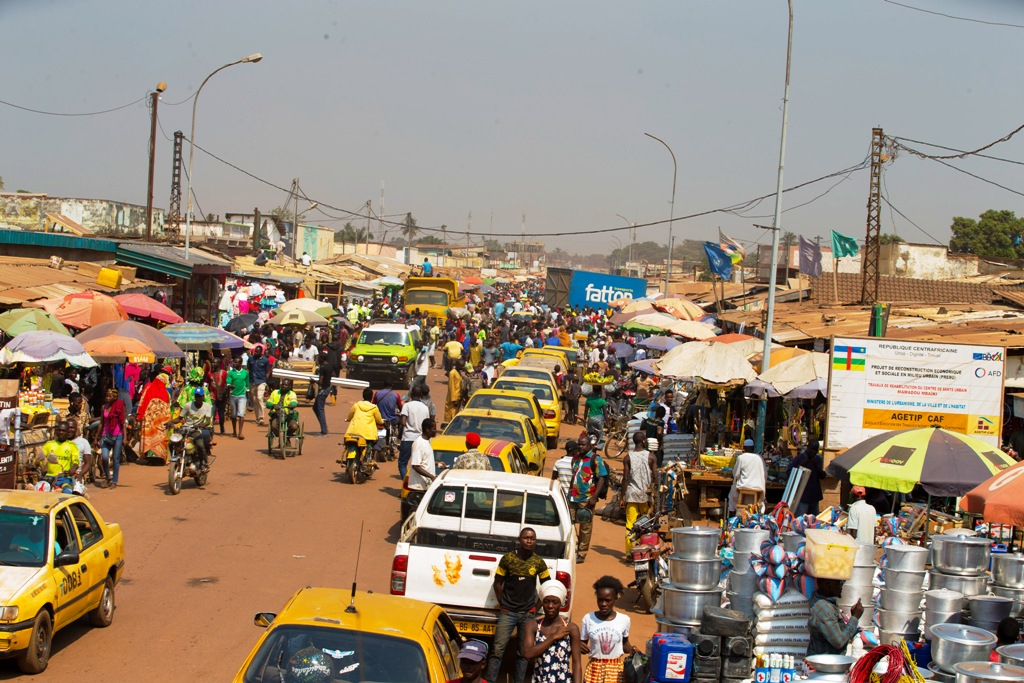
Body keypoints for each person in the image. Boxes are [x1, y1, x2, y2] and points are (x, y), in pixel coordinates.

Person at [486, 527, 552, 683]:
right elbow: (498, 583)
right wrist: (503, 604)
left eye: (532, 538)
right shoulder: (508, 559)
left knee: (523, 653)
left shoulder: (539, 562)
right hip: (507, 613)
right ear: (519, 539)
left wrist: (536, 607)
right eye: (526, 538)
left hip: (528, 614)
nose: (529, 541)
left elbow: (547, 587)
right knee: (497, 650)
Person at [523, 580, 582, 683]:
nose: (550, 606)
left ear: (561, 603)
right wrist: (553, 637)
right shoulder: (532, 625)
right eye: (546, 601)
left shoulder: (571, 628)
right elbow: (528, 654)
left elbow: (576, 664)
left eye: (555, 602)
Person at [580, 576, 634, 683]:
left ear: (615, 599)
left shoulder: (624, 620)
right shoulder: (588, 619)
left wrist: (632, 650)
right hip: (594, 670)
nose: (603, 604)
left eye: (607, 600)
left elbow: (624, 644)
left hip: (616, 671)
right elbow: (582, 644)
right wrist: (578, 645)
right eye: (600, 600)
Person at [569, 437, 608, 564]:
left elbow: (602, 478)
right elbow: (573, 476)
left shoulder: (595, 459)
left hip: (587, 498)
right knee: (569, 523)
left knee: (585, 527)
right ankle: (571, 548)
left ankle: (582, 553)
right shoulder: (575, 458)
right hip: (573, 497)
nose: (580, 447)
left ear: (589, 446)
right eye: (579, 444)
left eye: (583, 445)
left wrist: (594, 498)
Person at [808, 578, 862, 656]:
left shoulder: (820, 600)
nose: (841, 586)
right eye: (839, 583)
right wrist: (855, 617)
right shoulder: (825, 611)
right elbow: (839, 642)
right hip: (825, 664)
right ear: (828, 586)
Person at [622, 432, 656, 554]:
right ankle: (644, 551)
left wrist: (622, 496)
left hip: (631, 494)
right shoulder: (651, 457)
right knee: (646, 523)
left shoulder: (627, 458)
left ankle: (628, 552)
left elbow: (625, 479)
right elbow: (655, 477)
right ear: (644, 441)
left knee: (630, 524)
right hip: (645, 496)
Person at [404, 418, 440, 520]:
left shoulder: (427, 442)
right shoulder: (418, 443)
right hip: (418, 488)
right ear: (427, 429)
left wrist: (436, 464)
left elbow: (423, 461)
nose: (435, 431)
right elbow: (415, 465)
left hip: (425, 487)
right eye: (434, 428)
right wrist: (432, 477)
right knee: (416, 516)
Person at [138, 373, 172, 464]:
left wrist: (139, 417)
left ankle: (149, 457)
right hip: (160, 423)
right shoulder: (166, 393)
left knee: (150, 439)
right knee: (159, 440)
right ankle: (159, 457)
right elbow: (168, 409)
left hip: (149, 422)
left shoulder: (148, 390)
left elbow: (141, 404)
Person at [399, 384, 431, 480]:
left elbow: (403, 422)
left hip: (408, 438)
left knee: (402, 463)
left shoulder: (407, 406)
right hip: (420, 439)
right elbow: (427, 424)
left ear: (411, 394)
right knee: (419, 464)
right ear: (421, 395)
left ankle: (406, 485)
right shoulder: (425, 408)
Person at [177, 387, 213, 470]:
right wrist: (170, 422)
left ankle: (204, 462)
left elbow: (208, 421)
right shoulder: (188, 405)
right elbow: (179, 418)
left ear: (203, 396)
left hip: (197, 430)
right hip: (186, 428)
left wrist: (202, 425)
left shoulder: (207, 406)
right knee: (173, 442)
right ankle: (177, 458)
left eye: (199, 396)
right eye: (196, 396)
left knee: (200, 445)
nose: (198, 398)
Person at [728, 438, 767, 516]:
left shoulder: (741, 458)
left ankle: (732, 514)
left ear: (744, 448)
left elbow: (736, 474)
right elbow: (765, 474)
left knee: (731, 494)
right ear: (753, 448)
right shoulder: (759, 458)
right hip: (758, 488)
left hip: (744, 486)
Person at [788, 438, 826, 516]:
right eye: (812, 449)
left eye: (816, 450)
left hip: (814, 496)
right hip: (803, 496)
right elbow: (789, 473)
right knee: (801, 520)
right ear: (808, 447)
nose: (814, 452)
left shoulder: (818, 459)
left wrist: (817, 467)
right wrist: (801, 466)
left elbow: (822, 476)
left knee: (813, 521)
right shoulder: (799, 458)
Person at [99, 388, 127, 488]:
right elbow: (102, 423)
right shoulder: (104, 407)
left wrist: (125, 437)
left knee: (116, 458)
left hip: (117, 434)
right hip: (106, 434)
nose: (107, 398)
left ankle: (114, 481)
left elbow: (123, 422)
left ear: (115, 397)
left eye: (110, 396)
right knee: (105, 457)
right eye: (107, 396)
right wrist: (96, 438)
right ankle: (108, 476)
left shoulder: (119, 406)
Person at [343, 387, 384, 455]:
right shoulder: (374, 407)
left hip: (353, 432)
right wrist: (382, 422)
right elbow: (379, 421)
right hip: (368, 435)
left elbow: (350, 416)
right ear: (371, 397)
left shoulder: (356, 405)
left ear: (363, 396)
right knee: (372, 444)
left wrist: (348, 419)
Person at [227, 356, 250, 440]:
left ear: (240, 363)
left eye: (236, 362)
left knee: (241, 414)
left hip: (242, 396)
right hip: (233, 395)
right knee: (233, 415)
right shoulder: (230, 373)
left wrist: (248, 394)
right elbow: (228, 382)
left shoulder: (245, 373)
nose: (234, 363)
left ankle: (240, 433)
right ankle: (234, 432)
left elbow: (247, 384)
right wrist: (230, 386)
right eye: (234, 362)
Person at [311, 352, 333, 437]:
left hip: (323, 390)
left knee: (320, 410)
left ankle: (324, 431)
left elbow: (320, 382)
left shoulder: (323, 368)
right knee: (315, 408)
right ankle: (324, 427)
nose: (318, 360)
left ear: (322, 359)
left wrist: (313, 381)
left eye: (319, 358)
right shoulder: (330, 366)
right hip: (327, 389)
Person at [248, 345, 270, 426]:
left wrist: (266, 381)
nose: (256, 353)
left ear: (261, 352)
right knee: (255, 400)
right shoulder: (251, 359)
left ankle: (261, 417)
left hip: (261, 381)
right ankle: (257, 417)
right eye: (255, 351)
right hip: (252, 381)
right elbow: (249, 369)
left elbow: (267, 371)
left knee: (259, 397)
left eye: (257, 351)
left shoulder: (265, 360)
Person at [210, 356, 229, 435]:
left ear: (219, 363)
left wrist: (227, 395)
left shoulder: (224, 373)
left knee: (221, 415)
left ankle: (222, 427)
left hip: (222, 396)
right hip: (212, 396)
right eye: (212, 362)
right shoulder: (210, 374)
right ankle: (212, 429)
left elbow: (226, 384)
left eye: (214, 362)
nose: (213, 364)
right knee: (212, 413)